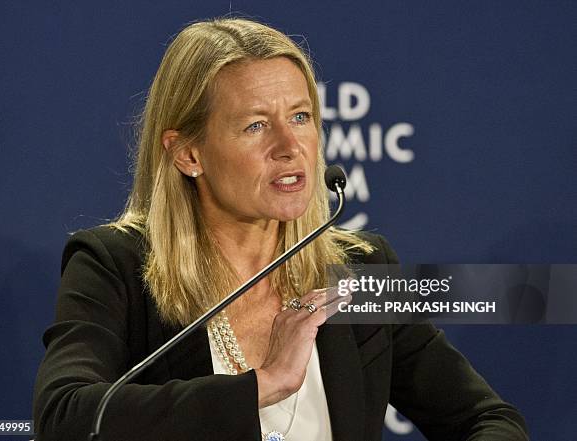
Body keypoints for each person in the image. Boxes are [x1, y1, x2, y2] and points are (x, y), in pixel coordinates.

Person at [33, 17, 528, 441]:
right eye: (255, 125)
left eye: (301, 116)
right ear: (188, 154)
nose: (290, 146)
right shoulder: (116, 265)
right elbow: (66, 417)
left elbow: (485, 418)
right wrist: (264, 384)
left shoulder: (358, 268)